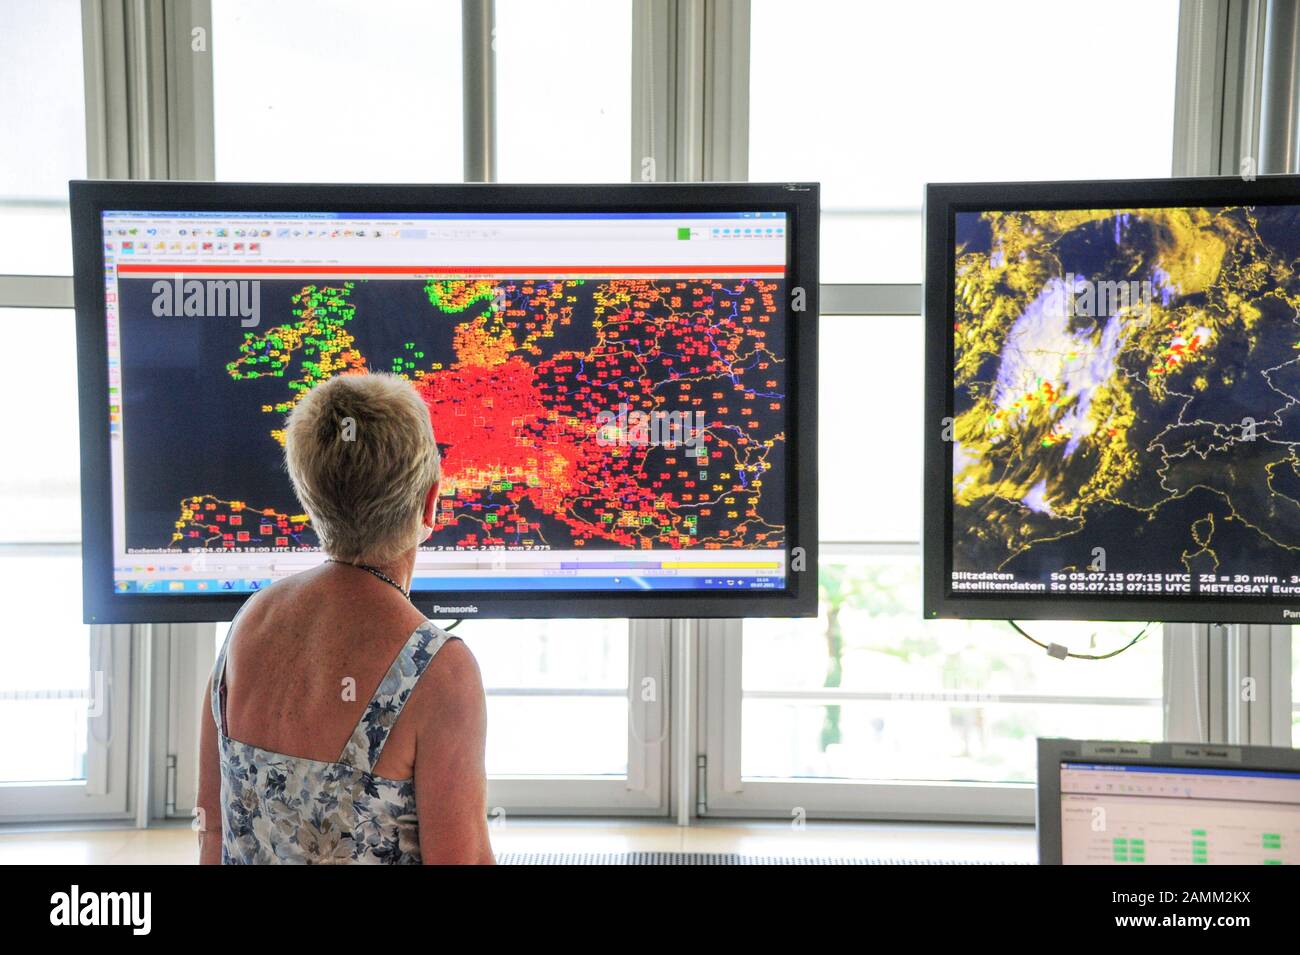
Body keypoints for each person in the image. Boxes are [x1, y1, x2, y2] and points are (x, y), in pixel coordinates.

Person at [196, 371, 494, 864]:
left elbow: (211, 834)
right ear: (430, 502)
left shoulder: (246, 626)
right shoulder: (439, 672)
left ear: (309, 497)